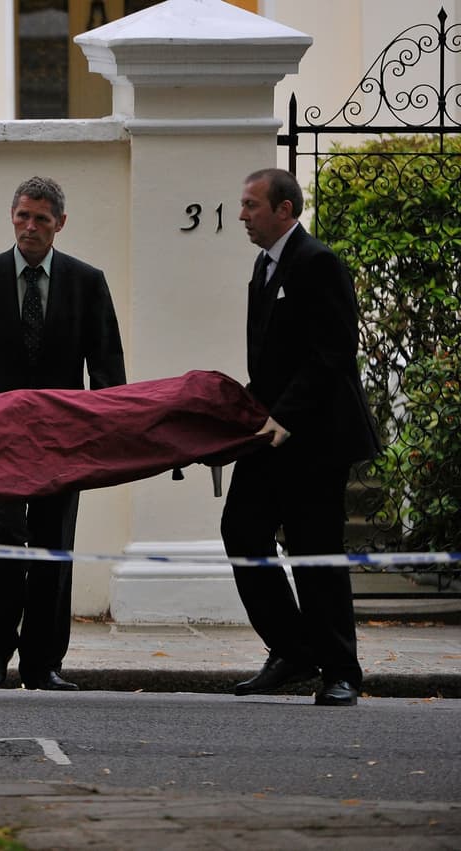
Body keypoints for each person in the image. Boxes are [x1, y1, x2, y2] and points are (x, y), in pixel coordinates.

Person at [0, 176, 125, 690]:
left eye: (41, 219)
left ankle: (44, 662)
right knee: (3, 540)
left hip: (62, 441)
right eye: (22, 215)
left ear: (59, 224)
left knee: (52, 545)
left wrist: (111, 432)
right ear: (12, 215)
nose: (29, 227)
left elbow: (107, 364)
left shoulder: (87, 282)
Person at [222, 168, 379, 707]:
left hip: (316, 437)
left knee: (315, 551)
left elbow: (334, 351)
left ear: (284, 210)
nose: (242, 215)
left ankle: (341, 671)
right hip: (269, 434)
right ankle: (292, 651)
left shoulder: (318, 262)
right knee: (241, 531)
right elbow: (269, 363)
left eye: (251, 205)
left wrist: (283, 417)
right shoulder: (262, 267)